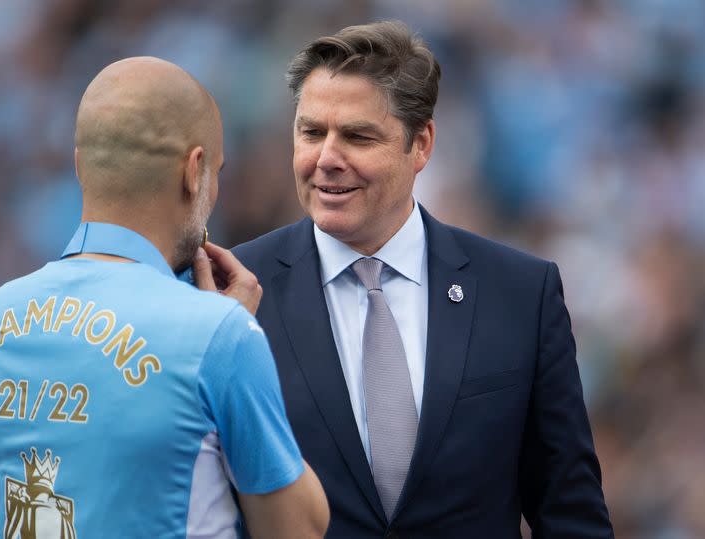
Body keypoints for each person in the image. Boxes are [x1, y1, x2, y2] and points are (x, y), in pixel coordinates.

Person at [234, 21, 613, 538]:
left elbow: (570, 512)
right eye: (311, 132)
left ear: (421, 144)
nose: (326, 158)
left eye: (358, 136)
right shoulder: (231, 291)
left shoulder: (521, 294)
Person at [0, 57, 329, 539]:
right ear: (194, 173)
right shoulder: (218, 335)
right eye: (216, 172)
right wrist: (230, 342)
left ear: (79, 165)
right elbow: (299, 528)